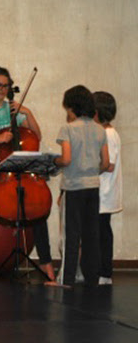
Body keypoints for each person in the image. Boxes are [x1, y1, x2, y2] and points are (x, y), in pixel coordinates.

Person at [0, 66, 53, 283]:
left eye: (6, 85)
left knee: (37, 205)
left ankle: (46, 262)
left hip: (12, 167)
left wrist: (28, 113)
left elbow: (37, 135)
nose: (3, 89)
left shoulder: (12, 110)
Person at [53, 85, 110, 287]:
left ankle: (66, 280)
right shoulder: (100, 130)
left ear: (72, 108)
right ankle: (92, 278)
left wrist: (54, 161)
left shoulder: (67, 129)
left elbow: (66, 159)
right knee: (90, 235)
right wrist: (92, 172)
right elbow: (105, 162)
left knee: (71, 235)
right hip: (93, 187)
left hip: (73, 188)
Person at [93, 91, 121, 285]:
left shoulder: (108, 134)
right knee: (100, 231)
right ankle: (99, 271)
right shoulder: (107, 132)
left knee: (102, 233)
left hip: (103, 192)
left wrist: (84, 170)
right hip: (103, 191)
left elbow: (107, 164)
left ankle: (104, 273)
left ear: (96, 112)